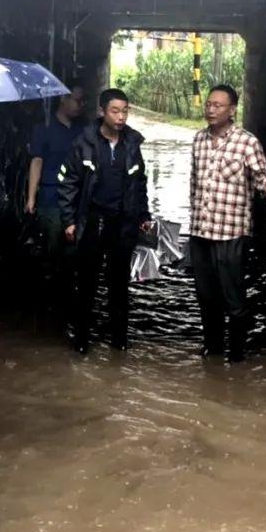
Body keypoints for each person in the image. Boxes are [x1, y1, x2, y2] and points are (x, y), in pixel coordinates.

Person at [189, 85, 266, 362]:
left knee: (233, 296)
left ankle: (237, 353)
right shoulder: (198, 140)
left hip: (231, 232)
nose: (211, 109)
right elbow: (194, 184)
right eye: (209, 104)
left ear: (232, 110)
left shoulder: (247, 142)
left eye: (218, 105)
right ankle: (213, 347)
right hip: (201, 231)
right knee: (206, 296)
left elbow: (260, 176)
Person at [58, 88, 152, 353]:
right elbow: (68, 183)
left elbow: (139, 183)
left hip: (123, 224)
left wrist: (143, 215)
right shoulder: (84, 143)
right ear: (102, 111)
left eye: (125, 111)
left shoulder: (131, 144)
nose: (121, 117)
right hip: (92, 222)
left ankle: (119, 342)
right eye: (115, 111)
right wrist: (69, 220)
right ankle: (81, 341)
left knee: (119, 284)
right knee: (87, 282)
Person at [25, 83, 86, 305]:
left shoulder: (83, 130)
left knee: (74, 250)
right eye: (77, 100)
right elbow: (37, 161)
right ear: (63, 99)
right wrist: (31, 197)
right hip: (51, 196)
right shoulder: (45, 128)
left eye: (83, 101)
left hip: (77, 199)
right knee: (52, 245)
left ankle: (66, 296)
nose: (81, 106)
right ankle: (49, 297)